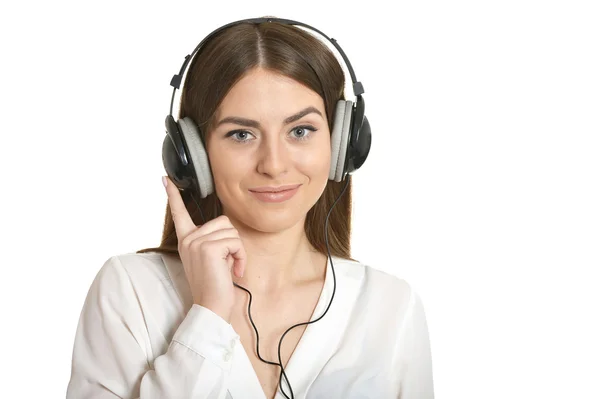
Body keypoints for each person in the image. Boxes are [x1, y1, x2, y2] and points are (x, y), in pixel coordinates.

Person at [66, 17, 434, 399]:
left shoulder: (391, 307)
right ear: (193, 156)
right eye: (241, 134)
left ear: (343, 143)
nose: (273, 165)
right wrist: (207, 316)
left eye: (300, 131)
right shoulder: (131, 291)